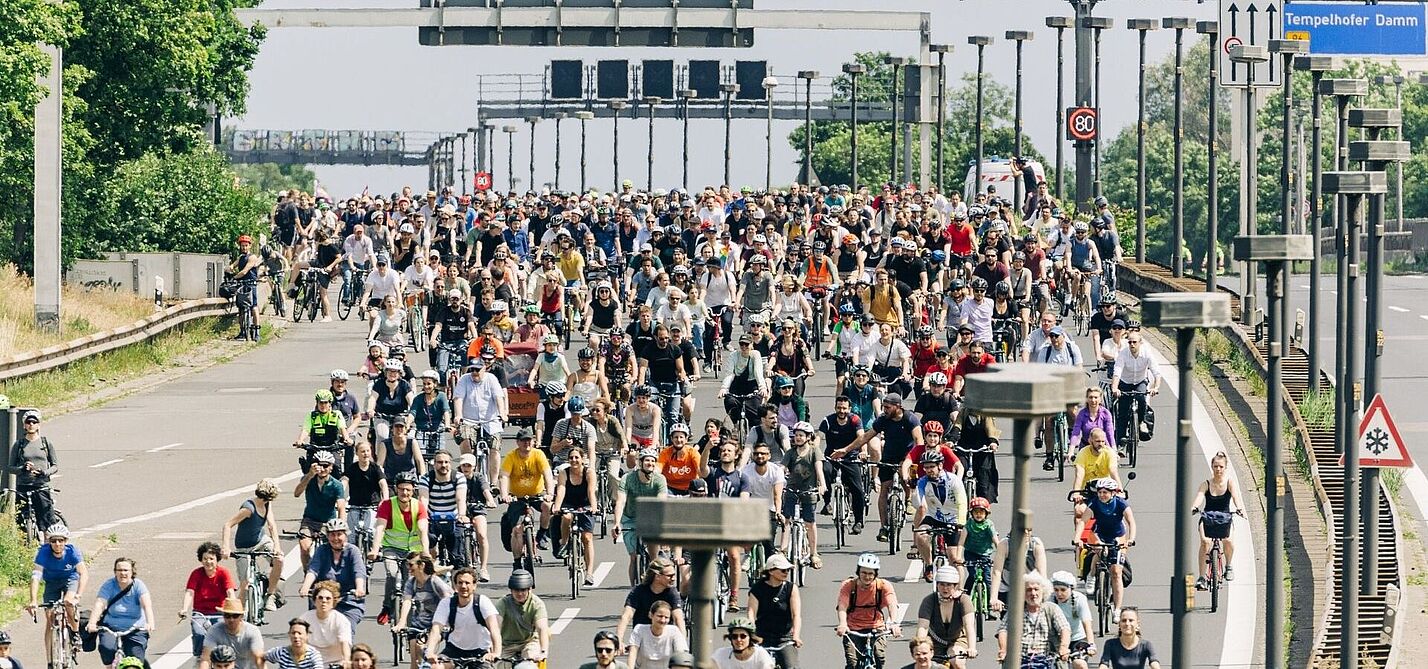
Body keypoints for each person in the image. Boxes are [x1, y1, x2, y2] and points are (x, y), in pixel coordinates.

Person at [833, 393, 923, 545]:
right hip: (888, 456)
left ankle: (909, 499)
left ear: (898, 406)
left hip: (908, 457)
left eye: (888, 407)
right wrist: (846, 450)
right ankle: (884, 527)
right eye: (883, 407)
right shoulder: (883, 420)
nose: (885, 410)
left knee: (907, 478)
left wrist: (917, 459)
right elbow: (866, 437)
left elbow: (918, 440)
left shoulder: (910, 418)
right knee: (884, 490)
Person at [1074, 479, 1137, 620]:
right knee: (1099, 549)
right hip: (1099, 533)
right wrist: (1077, 538)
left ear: (1113, 493)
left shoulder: (1121, 504)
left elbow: (1131, 522)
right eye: (1100, 492)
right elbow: (1083, 521)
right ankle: (1091, 574)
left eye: (1105, 493)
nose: (1102, 495)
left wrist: (1130, 539)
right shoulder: (1094, 503)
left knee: (1116, 572)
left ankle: (1117, 609)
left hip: (1117, 535)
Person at [27, 523, 87, 665]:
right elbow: (35, 576)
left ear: (66, 541)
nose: (57, 544)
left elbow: (83, 573)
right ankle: (50, 661)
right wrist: (33, 600)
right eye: (53, 541)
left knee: (68, 602)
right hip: (51, 583)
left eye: (61, 540)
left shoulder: (73, 552)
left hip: (70, 579)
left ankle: (75, 632)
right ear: (49, 542)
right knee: (49, 619)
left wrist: (78, 595)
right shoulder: (43, 553)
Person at [298, 519, 368, 631]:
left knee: (346, 630)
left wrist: (359, 588)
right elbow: (313, 569)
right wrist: (305, 586)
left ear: (346, 535)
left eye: (339, 534)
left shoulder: (353, 551)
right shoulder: (322, 550)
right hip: (323, 601)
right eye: (332, 535)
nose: (335, 538)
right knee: (315, 632)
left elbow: (359, 571)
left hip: (347, 601)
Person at [612, 449, 669, 586]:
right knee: (633, 557)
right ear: (640, 462)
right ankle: (634, 589)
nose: (650, 463)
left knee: (653, 558)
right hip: (630, 517)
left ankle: (653, 581)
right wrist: (617, 523)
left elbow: (661, 503)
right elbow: (621, 501)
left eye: (652, 461)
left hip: (650, 517)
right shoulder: (628, 478)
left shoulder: (659, 479)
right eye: (647, 460)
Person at [835, 552, 901, 669]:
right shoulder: (849, 586)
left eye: (871, 573)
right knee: (852, 662)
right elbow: (842, 606)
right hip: (853, 628)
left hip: (876, 627)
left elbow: (892, 605)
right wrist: (842, 624)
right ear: (858, 572)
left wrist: (893, 623)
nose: (867, 576)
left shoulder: (883, 586)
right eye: (864, 573)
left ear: (876, 574)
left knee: (879, 657)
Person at [424, 567, 502, 668]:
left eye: (467, 583)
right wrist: (430, 651)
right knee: (435, 667)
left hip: (480, 652)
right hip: (454, 650)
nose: (463, 586)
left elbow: (494, 629)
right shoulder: (446, 603)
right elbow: (436, 629)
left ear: (474, 585)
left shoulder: (482, 602)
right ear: (455, 586)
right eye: (460, 583)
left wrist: (496, 653)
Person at [1192, 451, 1246, 589]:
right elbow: (1199, 496)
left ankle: (1228, 566)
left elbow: (1235, 497)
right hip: (1208, 517)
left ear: (1225, 468)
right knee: (1205, 542)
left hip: (1225, 517)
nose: (1218, 469)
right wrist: (1195, 506)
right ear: (1212, 467)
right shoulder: (1206, 484)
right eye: (1216, 466)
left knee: (1228, 540)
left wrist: (1239, 508)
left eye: (1221, 467)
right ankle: (1202, 577)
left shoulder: (1229, 483)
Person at [88, 557, 155, 666]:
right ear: (115, 572)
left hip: (135, 628)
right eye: (119, 570)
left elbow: (146, 605)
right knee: (106, 648)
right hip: (111, 627)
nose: (122, 573)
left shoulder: (138, 585)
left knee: (135, 660)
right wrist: (92, 623)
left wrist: (150, 623)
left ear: (132, 571)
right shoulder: (109, 584)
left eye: (125, 570)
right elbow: (100, 603)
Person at [912, 451, 966, 581]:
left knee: (954, 557)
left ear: (940, 466)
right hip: (934, 517)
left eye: (932, 467)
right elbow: (918, 502)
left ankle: (959, 588)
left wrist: (960, 523)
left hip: (953, 519)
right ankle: (929, 565)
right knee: (920, 534)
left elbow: (962, 503)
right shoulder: (923, 482)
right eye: (926, 467)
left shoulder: (953, 480)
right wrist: (914, 491)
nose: (929, 470)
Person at [995, 572, 1069, 665]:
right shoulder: (1016, 610)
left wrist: (1063, 647)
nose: (1033, 593)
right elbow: (1003, 630)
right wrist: (1003, 650)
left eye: (1036, 589)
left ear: (1043, 591)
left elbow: (1064, 628)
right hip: (1020, 659)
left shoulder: (1052, 609)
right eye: (1029, 590)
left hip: (1046, 659)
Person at [393, 553, 451, 669]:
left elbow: (448, 602)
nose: (408, 568)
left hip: (435, 626)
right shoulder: (411, 582)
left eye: (411, 565)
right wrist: (401, 622)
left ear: (421, 565)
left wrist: (447, 623)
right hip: (417, 625)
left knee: (424, 651)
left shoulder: (435, 582)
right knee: (414, 659)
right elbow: (407, 601)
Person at [293, 450, 347, 574]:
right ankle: (308, 573)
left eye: (325, 465)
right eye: (319, 465)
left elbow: (341, 507)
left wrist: (341, 526)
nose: (322, 468)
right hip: (310, 520)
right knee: (304, 546)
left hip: (328, 522)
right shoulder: (309, 479)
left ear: (331, 467)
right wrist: (309, 475)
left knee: (333, 549)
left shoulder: (336, 485)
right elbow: (297, 493)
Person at [781, 422, 826, 569]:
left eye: (801, 435)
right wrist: (778, 480)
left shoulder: (814, 451)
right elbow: (782, 468)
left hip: (809, 491)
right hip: (792, 490)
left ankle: (813, 553)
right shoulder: (790, 453)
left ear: (808, 437)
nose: (798, 438)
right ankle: (783, 550)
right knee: (786, 520)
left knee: (809, 523)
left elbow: (819, 469)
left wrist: (822, 484)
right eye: (796, 435)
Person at [181, 543, 237, 660]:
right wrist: (184, 609)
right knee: (199, 633)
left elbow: (230, 592)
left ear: (217, 559)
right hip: (200, 613)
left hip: (220, 612)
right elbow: (190, 592)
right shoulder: (196, 573)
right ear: (201, 560)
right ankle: (199, 657)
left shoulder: (223, 573)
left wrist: (232, 609)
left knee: (223, 636)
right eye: (205, 559)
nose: (208, 562)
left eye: (211, 559)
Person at [913, 566, 975, 666]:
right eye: (942, 584)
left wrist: (971, 648)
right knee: (924, 664)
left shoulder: (963, 600)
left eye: (949, 585)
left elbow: (969, 626)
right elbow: (923, 627)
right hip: (934, 642)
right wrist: (921, 645)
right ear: (937, 585)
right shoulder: (929, 601)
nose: (945, 588)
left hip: (957, 640)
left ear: (955, 586)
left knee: (957, 662)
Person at [746, 554, 801, 668]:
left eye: (788, 570)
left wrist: (795, 635)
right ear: (770, 571)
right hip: (762, 637)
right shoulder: (757, 589)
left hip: (784, 638)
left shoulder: (791, 588)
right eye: (782, 570)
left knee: (791, 666)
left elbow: (796, 615)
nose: (786, 572)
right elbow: (751, 613)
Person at [553, 448, 598, 582]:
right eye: (571, 457)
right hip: (569, 503)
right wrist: (557, 506)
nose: (574, 460)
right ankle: (565, 543)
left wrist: (594, 507)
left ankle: (589, 573)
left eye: (577, 457)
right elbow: (561, 490)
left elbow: (591, 492)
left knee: (587, 537)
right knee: (566, 517)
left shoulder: (589, 472)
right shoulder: (564, 472)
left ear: (582, 459)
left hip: (585, 504)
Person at [420, 451, 470, 569]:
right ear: (434, 464)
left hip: (454, 517)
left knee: (457, 551)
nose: (443, 465)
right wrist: (423, 515)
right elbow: (423, 498)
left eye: (446, 462)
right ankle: (432, 565)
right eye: (440, 462)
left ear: (450, 463)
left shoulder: (459, 477)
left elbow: (460, 498)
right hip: (433, 517)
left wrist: (462, 514)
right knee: (428, 538)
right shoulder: (426, 478)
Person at [10, 409, 59, 528]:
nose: (31, 424)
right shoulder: (19, 444)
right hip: (23, 486)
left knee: (47, 524)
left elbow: (55, 466)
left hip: (41, 486)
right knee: (21, 523)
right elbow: (10, 467)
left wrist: (44, 473)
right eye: (28, 422)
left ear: (38, 425)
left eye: (34, 422)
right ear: (24, 425)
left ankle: (48, 544)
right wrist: (22, 468)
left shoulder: (45, 443)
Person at [1109, 333, 1160, 446]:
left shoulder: (1147, 353)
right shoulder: (1123, 354)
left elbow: (1156, 372)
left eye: (1134, 342)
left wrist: (1155, 387)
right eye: (1130, 342)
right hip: (1125, 382)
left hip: (1140, 382)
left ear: (1140, 343)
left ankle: (1141, 421)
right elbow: (1117, 372)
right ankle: (1121, 442)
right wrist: (1114, 388)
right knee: (1122, 412)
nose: (1132, 344)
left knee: (1141, 398)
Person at [495, 570, 549, 666]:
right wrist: (493, 651)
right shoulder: (503, 603)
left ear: (529, 589)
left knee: (528, 663)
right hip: (507, 645)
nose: (520, 594)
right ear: (511, 590)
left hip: (529, 642)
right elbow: (495, 627)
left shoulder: (536, 604)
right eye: (516, 590)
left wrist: (543, 651)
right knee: (500, 665)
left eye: (523, 590)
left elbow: (542, 628)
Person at [298, 581, 352, 667]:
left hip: (335, 663)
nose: (324, 601)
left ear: (334, 602)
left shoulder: (341, 620)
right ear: (315, 601)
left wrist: (346, 661)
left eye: (328, 598)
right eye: (320, 598)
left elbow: (344, 643)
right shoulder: (305, 618)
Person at [1049, 571, 1097, 668]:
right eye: (1056, 590)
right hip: (1056, 640)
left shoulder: (1080, 599)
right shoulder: (1050, 599)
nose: (1059, 594)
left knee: (1080, 664)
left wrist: (1091, 644)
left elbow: (1087, 624)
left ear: (1071, 589)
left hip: (1077, 639)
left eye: (1063, 590)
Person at [198, 599, 263, 669]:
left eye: (235, 616)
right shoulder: (214, 630)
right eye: (227, 616)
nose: (231, 619)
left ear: (241, 617)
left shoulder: (252, 631)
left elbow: (258, 657)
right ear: (223, 616)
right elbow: (206, 658)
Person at [626, 600, 688, 669]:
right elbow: (632, 653)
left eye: (666, 617)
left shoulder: (674, 631)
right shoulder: (639, 629)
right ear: (651, 615)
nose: (663, 620)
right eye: (660, 616)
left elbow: (681, 654)